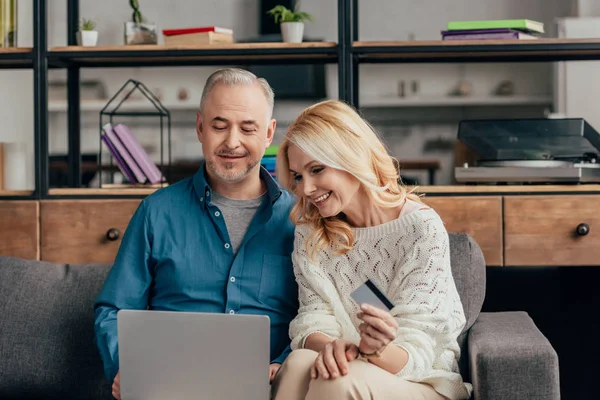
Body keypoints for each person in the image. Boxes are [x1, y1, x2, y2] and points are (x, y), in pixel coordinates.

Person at [93, 68, 298, 400]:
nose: (232, 142)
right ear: (200, 127)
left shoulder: (300, 219)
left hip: (272, 389)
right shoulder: (156, 212)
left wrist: (285, 363)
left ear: (269, 133)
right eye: (219, 126)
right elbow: (113, 309)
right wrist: (126, 365)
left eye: (248, 128)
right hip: (170, 388)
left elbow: (321, 315)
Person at [270, 100, 473, 400]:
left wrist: (374, 350)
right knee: (299, 362)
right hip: (351, 366)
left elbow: (417, 350)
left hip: (421, 380)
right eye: (299, 176)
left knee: (335, 381)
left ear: (351, 156)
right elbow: (313, 318)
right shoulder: (311, 234)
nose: (306, 189)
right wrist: (332, 349)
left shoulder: (421, 230)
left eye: (317, 169)